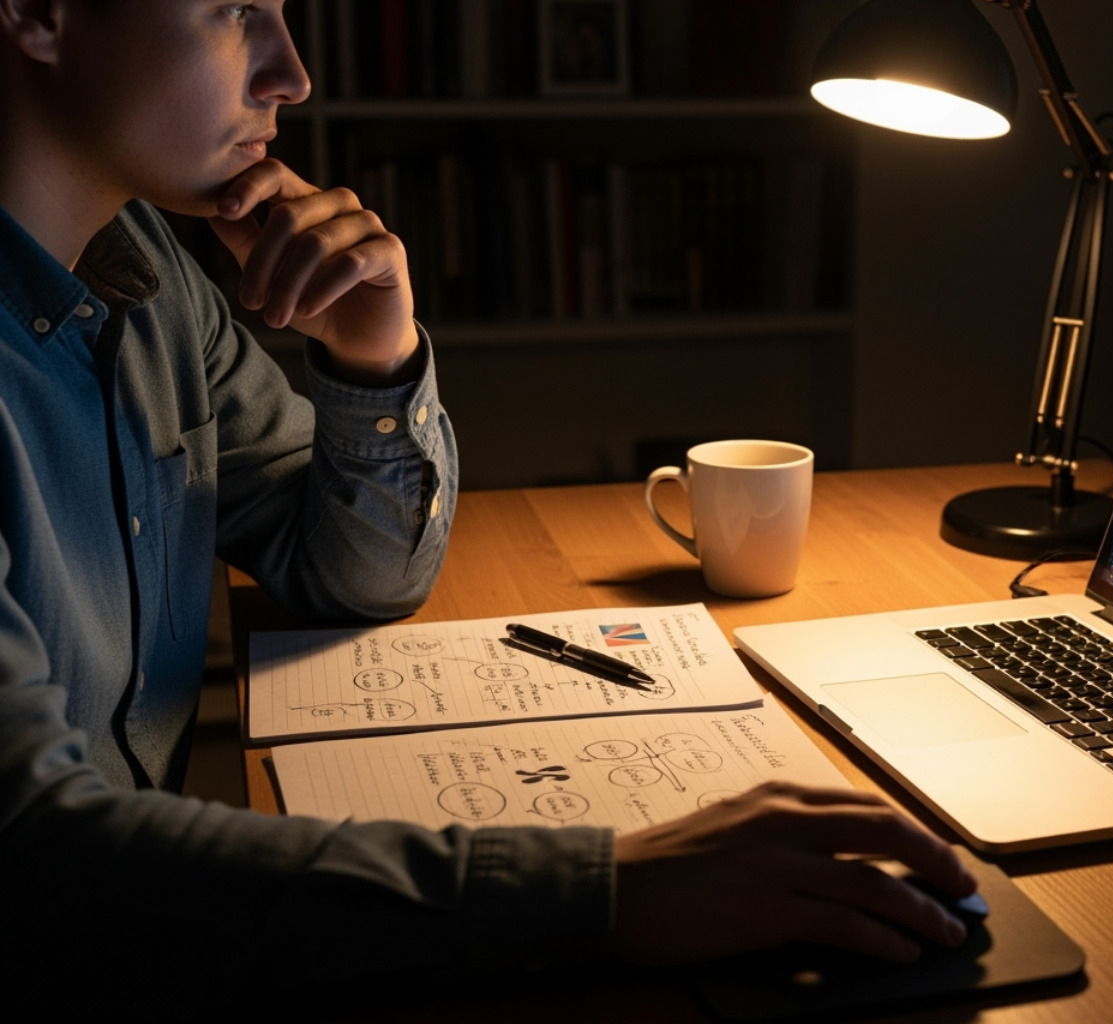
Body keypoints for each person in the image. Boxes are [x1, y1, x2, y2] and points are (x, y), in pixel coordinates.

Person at [0, 2, 976, 1017]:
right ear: (41, 15)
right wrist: (605, 888)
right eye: (236, 9)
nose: (289, 74)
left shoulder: (151, 281)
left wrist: (373, 351)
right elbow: (36, 864)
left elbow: (356, 571)